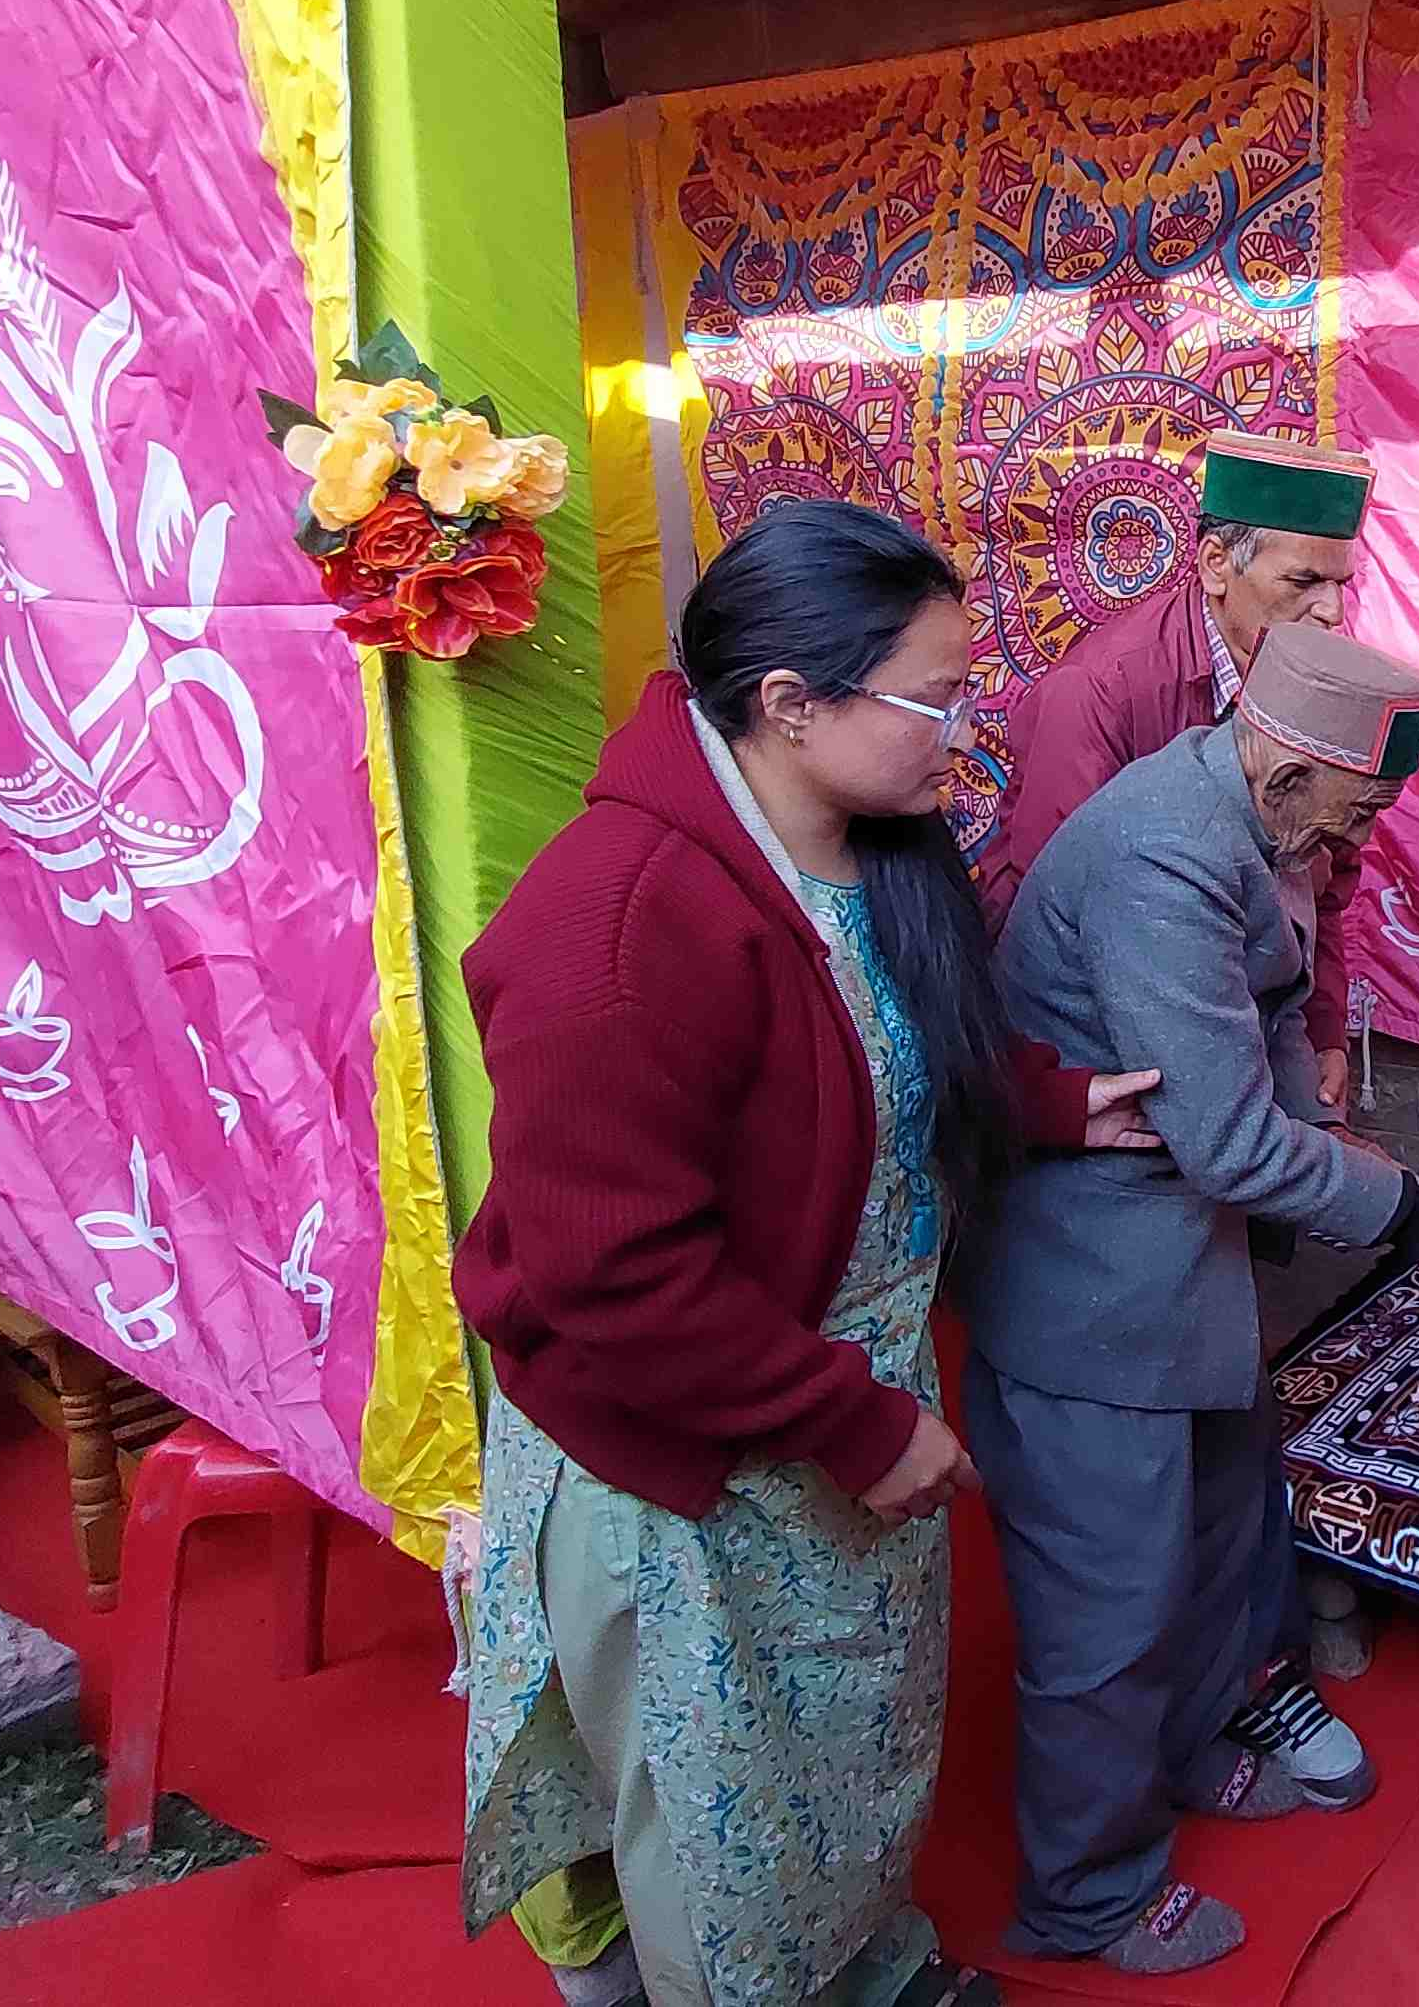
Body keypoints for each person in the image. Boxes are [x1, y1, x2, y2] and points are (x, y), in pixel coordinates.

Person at [453, 501, 1162, 2007]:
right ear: (789, 704)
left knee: (843, 1744)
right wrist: (849, 1420)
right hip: (690, 1441)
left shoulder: (866, 847)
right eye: (934, 696)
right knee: (723, 1800)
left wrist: (1043, 1103)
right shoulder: (619, 918)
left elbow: (874, 1056)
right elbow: (610, 1278)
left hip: (838, 1393)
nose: (962, 733)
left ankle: (864, 1965)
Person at [956, 624, 1419, 1977]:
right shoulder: (1164, 856)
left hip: (1186, 1270)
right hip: (1096, 1291)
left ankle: (1197, 1743)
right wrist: (1413, 1215)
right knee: (1111, 1609)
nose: (1359, 841)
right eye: (1354, 813)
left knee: (1215, 1546)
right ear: (1282, 780)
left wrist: (1324, 1137)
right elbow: (1222, 1143)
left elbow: (1261, 1034)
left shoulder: (1258, 826)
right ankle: (1082, 1896)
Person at [977, 430, 1375, 1110]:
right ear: (1217, 564)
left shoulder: (1317, 687)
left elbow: (1324, 874)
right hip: (1098, 1037)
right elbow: (1068, 904)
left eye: (1342, 583)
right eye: (1304, 582)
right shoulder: (1102, 689)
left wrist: (1324, 1026)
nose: (1332, 612)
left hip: (1244, 1017)